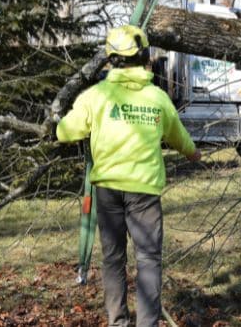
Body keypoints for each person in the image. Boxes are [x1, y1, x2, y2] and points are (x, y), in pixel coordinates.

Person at [56, 24, 201, 326]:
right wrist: (193, 154)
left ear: (111, 60)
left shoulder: (96, 96)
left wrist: (57, 121)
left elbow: (66, 132)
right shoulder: (157, 98)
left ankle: (118, 322)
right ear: (145, 58)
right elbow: (179, 137)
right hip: (144, 192)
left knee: (113, 259)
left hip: (107, 190)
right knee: (148, 259)